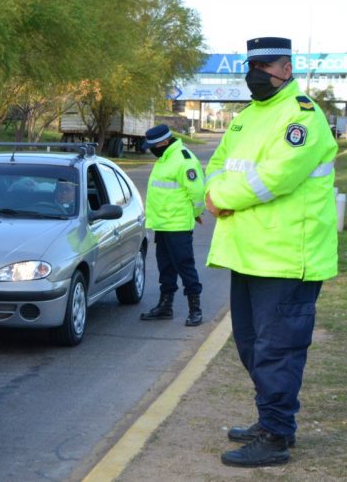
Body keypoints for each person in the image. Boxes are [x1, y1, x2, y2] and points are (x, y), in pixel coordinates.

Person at [204, 37, 338, 467]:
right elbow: (217, 166)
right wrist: (215, 190)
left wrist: (223, 197)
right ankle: (273, 420)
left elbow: (276, 177)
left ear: (286, 67)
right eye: (251, 65)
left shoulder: (303, 118)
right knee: (250, 346)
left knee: (277, 350)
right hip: (247, 254)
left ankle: (276, 436)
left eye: (265, 66)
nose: (255, 74)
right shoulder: (246, 118)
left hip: (286, 257)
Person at [138, 124, 206, 326]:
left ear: (164, 142)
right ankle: (165, 306)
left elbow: (198, 193)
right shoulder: (165, 157)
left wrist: (195, 213)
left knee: (185, 267)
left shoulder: (184, 159)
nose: (151, 149)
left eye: (153, 145)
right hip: (162, 224)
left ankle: (195, 309)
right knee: (165, 268)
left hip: (178, 225)